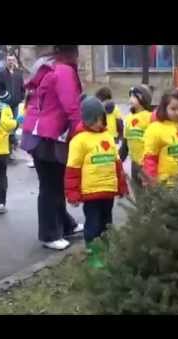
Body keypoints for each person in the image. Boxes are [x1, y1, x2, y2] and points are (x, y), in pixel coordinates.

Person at [20, 45, 84, 250]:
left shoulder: (47, 67)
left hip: (38, 134)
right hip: (49, 137)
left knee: (54, 184)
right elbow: (72, 106)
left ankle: (65, 225)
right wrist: (80, 132)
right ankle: (49, 234)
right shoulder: (64, 71)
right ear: (72, 52)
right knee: (51, 186)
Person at [65, 97, 128, 268]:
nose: (98, 124)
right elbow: (72, 169)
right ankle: (94, 256)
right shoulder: (79, 141)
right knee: (93, 224)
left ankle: (106, 252)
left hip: (108, 190)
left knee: (107, 223)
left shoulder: (107, 136)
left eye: (100, 120)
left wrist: (122, 185)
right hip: (91, 192)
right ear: (86, 120)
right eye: (94, 121)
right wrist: (73, 193)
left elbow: (117, 163)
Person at [0, 51, 25, 158]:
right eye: (9, 60)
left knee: (14, 124)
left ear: (15, 61)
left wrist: (21, 96)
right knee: (5, 125)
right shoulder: (1, 73)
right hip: (5, 105)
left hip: (15, 103)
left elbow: (22, 87)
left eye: (12, 59)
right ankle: (7, 148)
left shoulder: (19, 73)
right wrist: (4, 95)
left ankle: (12, 146)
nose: (10, 61)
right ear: (6, 60)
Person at [119, 85, 153, 186]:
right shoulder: (129, 118)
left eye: (134, 96)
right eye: (130, 96)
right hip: (134, 164)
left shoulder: (150, 117)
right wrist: (119, 160)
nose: (131, 99)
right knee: (138, 192)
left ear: (143, 99)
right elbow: (125, 143)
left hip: (147, 163)